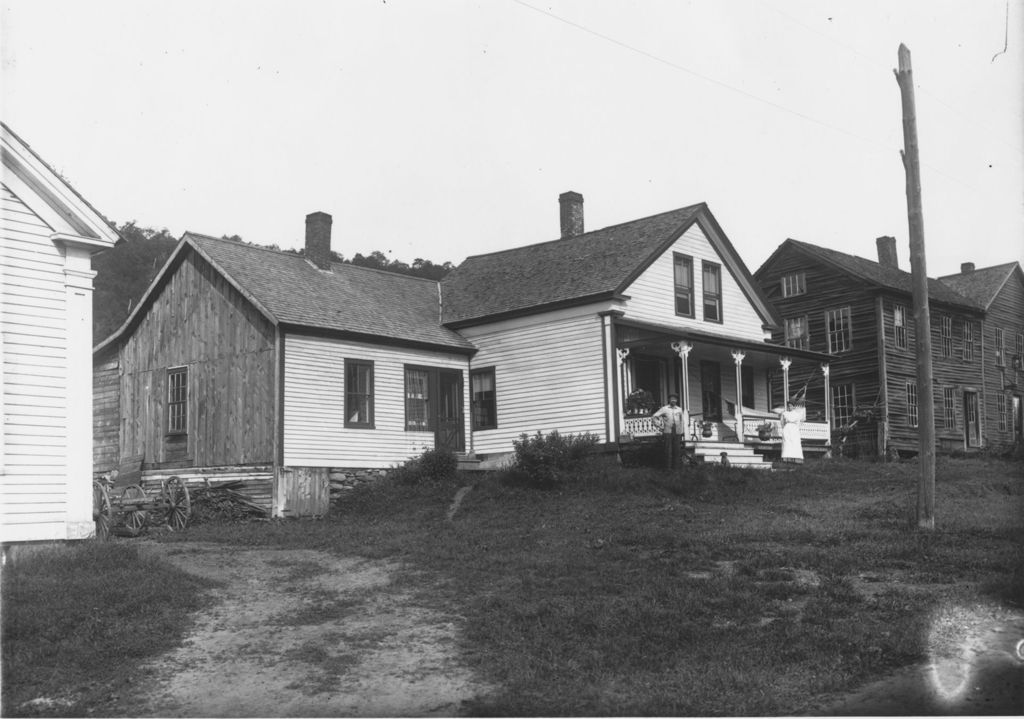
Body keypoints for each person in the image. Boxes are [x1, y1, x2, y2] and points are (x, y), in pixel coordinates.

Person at [652, 394, 685, 469]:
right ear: (669, 400)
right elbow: (654, 416)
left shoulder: (679, 409)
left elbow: (682, 420)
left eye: (675, 399)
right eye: (671, 399)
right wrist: (659, 425)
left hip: (677, 432)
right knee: (668, 451)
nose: (673, 400)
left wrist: (682, 430)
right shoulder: (664, 409)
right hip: (668, 432)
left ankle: (676, 469)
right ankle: (668, 469)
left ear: (677, 400)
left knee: (677, 451)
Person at [779, 400, 805, 464]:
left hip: (794, 429)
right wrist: (785, 428)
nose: (789, 407)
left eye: (791, 406)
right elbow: (782, 422)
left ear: (794, 407)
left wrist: (796, 429)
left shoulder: (797, 414)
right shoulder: (785, 413)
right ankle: (786, 459)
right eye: (788, 406)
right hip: (787, 428)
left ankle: (797, 459)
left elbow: (799, 423)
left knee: (795, 443)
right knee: (787, 443)